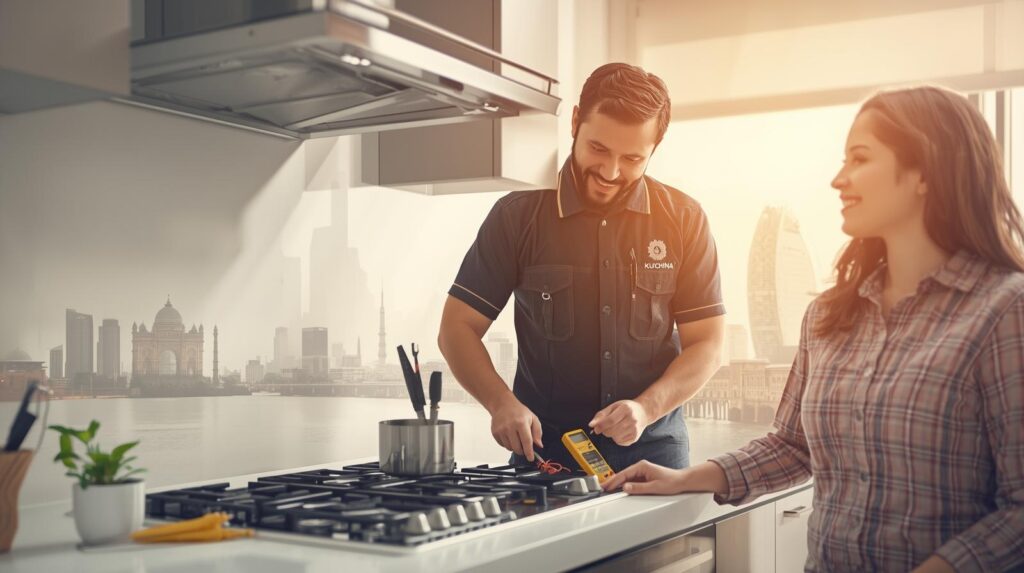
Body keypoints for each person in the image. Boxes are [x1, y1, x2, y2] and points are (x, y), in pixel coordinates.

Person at [602, 85, 1024, 572]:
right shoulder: (827, 317)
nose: (838, 180)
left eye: (859, 159)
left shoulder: (1005, 311)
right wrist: (691, 477)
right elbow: (792, 445)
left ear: (924, 171)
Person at [437, 63, 725, 471]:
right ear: (575, 121)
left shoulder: (684, 219)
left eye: (632, 159)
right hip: (546, 457)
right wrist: (501, 404)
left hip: (656, 457)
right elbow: (457, 328)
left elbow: (708, 344)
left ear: (654, 150)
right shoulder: (517, 216)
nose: (610, 173)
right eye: (599, 149)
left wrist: (645, 409)